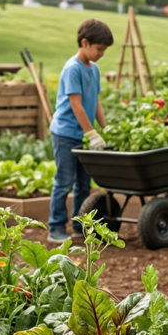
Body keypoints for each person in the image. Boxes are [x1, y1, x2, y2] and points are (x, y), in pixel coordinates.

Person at [47, 19, 112, 244]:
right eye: (99, 49)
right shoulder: (72, 68)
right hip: (66, 133)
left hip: (84, 134)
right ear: (85, 43)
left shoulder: (93, 70)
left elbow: (95, 102)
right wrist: (91, 133)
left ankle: (78, 225)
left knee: (84, 183)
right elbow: (77, 105)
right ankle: (55, 227)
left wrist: (105, 128)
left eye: (104, 50)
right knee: (64, 181)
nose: (102, 53)